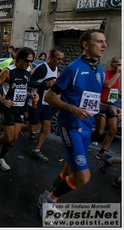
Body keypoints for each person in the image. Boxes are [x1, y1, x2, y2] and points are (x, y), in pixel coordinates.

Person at [37, 29, 121, 216]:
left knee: (69, 170)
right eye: (99, 41)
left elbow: (92, 102)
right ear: (85, 44)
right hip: (71, 126)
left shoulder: (98, 71)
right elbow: (50, 97)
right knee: (83, 176)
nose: (104, 45)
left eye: (105, 41)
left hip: (86, 127)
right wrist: (72, 109)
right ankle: (48, 199)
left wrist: (109, 109)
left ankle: (49, 194)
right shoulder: (73, 69)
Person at [0, 47, 39, 171]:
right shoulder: (8, 71)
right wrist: (2, 100)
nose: (29, 64)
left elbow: (22, 89)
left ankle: (0, 158)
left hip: (20, 107)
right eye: (27, 61)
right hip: (8, 108)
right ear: (19, 59)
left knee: (14, 138)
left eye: (31, 61)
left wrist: (31, 95)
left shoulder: (28, 71)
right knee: (8, 137)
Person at [27, 47, 64, 162]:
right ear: (50, 57)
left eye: (62, 59)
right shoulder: (42, 68)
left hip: (47, 102)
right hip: (36, 101)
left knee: (46, 127)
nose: (60, 61)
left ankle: (36, 150)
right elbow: (30, 82)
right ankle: (13, 128)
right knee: (32, 127)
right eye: (58, 59)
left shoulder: (57, 69)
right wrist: (45, 84)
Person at [91, 56, 121, 159]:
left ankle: (102, 151)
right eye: (118, 65)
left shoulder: (118, 76)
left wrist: (120, 94)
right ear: (112, 65)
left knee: (113, 130)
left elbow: (113, 90)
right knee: (99, 131)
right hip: (102, 104)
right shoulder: (106, 74)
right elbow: (107, 85)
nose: (120, 67)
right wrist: (117, 74)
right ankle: (83, 138)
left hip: (111, 104)